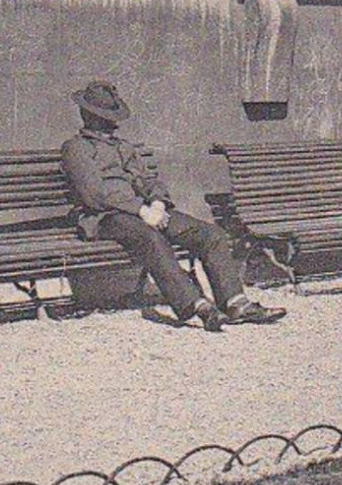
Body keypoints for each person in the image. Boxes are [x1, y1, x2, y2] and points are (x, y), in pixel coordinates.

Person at [61, 80, 285, 332]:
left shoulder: (124, 148)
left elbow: (148, 180)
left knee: (210, 234)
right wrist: (141, 210)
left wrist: (157, 202)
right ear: (88, 116)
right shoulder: (76, 148)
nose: (110, 124)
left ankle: (236, 302)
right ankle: (199, 307)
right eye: (104, 118)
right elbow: (95, 195)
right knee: (151, 237)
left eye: (111, 118)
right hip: (104, 217)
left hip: (145, 213)